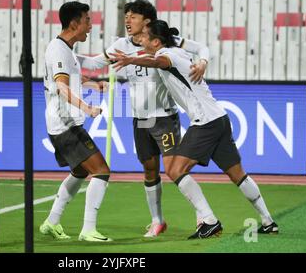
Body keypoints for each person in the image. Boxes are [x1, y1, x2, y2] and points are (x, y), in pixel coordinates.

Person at [110, 19, 279, 239]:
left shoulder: (169, 56)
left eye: (144, 36)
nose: (140, 39)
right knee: (238, 174)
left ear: (156, 41)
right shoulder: (171, 52)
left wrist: (131, 59)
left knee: (175, 170)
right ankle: (268, 221)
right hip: (219, 118)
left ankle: (209, 220)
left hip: (205, 122)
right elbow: (159, 58)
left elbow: (159, 62)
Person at [76, 0, 210, 237]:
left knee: (174, 169)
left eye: (133, 16)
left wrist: (202, 61)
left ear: (147, 21)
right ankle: (157, 220)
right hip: (140, 119)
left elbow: (201, 48)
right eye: (126, 16)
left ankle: (203, 216)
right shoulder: (121, 44)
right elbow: (95, 64)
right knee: (149, 171)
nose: (128, 20)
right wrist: (69, 55)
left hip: (164, 117)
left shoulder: (164, 40)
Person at [39, 1, 113, 242]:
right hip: (65, 124)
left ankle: (51, 222)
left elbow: (72, 79)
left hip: (63, 123)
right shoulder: (58, 50)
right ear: (74, 23)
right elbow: (61, 87)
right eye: (87, 20)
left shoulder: (66, 49)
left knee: (80, 171)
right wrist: (87, 107)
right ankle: (88, 229)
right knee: (101, 171)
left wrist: (95, 84)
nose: (90, 25)